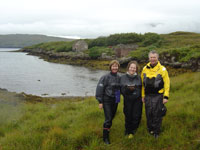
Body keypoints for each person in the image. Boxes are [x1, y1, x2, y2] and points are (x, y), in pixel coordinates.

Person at [141, 50, 170, 138]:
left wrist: (166, 96)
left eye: (154, 57)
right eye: (151, 57)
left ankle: (156, 132)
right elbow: (142, 84)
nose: (152, 59)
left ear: (157, 58)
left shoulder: (162, 69)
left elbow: (167, 83)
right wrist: (143, 95)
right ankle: (150, 129)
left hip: (158, 95)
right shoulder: (144, 69)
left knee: (157, 114)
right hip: (148, 95)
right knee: (148, 113)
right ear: (149, 58)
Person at [95, 60, 121, 144]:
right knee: (108, 118)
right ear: (110, 67)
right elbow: (100, 89)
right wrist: (100, 101)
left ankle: (108, 130)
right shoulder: (105, 77)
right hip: (107, 100)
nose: (115, 68)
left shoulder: (119, 77)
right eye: (113, 66)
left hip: (115, 100)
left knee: (112, 117)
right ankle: (105, 138)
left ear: (118, 67)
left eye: (116, 66)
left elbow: (119, 89)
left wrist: (118, 100)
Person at [120, 61, 142, 139]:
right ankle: (127, 130)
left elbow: (142, 88)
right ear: (128, 68)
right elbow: (120, 89)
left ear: (136, 69)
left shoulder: (139, 77)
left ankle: (134, 130)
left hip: (138, 100)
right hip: (127, 100)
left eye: (134, 68)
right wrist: (127, 90)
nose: (132, 69)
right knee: (128, 115)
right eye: (131, 67)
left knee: (136, 115)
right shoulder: (122, 77)